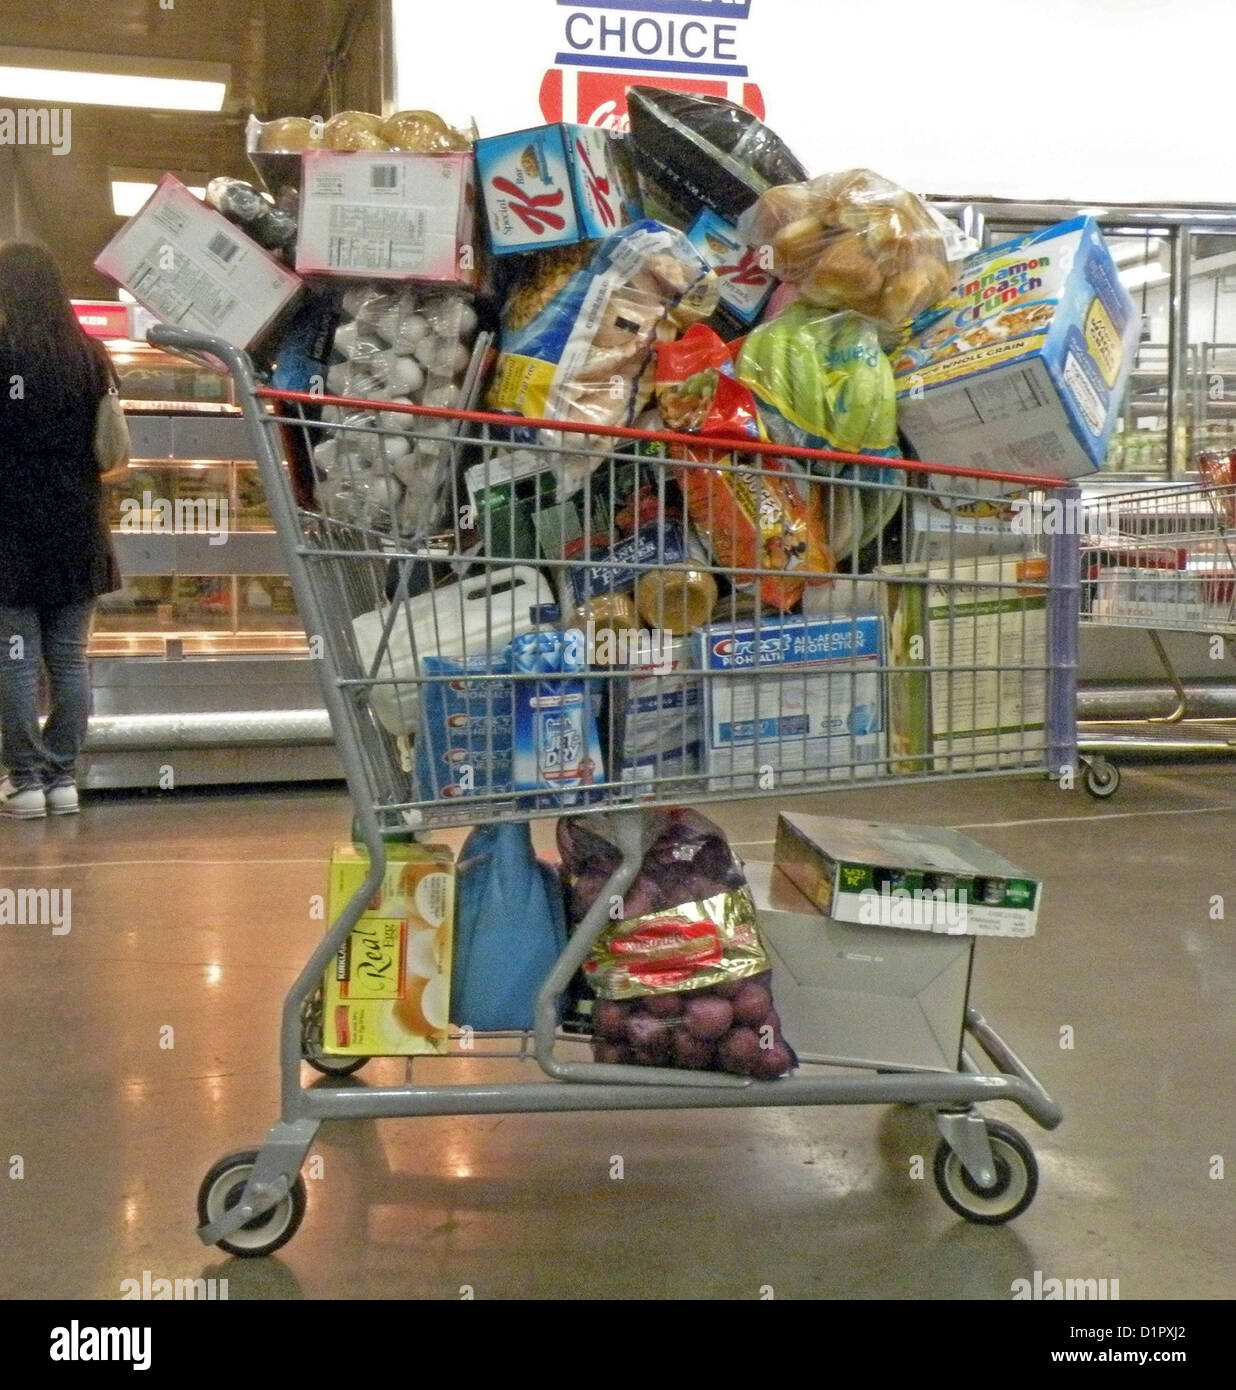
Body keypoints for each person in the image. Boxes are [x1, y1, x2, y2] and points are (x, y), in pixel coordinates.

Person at [0, 242, 122, 818]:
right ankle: (62, 779)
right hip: (76, 525)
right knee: (69, 659)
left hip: (11, 532)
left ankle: (25, 783)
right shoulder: (91, 355)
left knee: (17, 660)